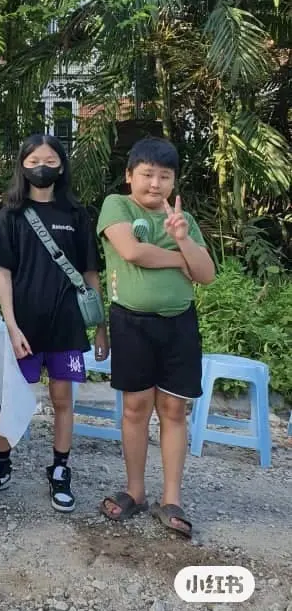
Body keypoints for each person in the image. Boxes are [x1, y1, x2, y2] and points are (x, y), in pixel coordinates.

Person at [0, 133, 108, 511]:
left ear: (61, 165)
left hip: (67, 325)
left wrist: (100, 326)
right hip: (24, 328)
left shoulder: (77, 215)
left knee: (63, 399)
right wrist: (11, 327)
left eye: (48, 160)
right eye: (33, 162)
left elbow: (90, 273)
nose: (41, 167)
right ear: (22, 166)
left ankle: (60, 469)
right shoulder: (10, 216)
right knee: (11, 397)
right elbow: (4, 274)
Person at [97, 137, 215, 538]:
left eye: (165, 176)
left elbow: (207, 274)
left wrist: (183, 237)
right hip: (131, 322)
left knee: (174, 409)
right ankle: (135, 491)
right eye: (147, 174)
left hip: (179, 323)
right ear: (130, 175)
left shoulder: (182, 218)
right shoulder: (117, 206)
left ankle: (171, 499)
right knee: (135, 408)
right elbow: (132, 252)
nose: (155, 184)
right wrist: (181, 260)